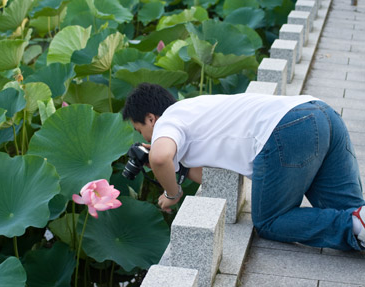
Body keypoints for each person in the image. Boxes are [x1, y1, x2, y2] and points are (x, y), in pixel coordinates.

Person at [121, 82, 365, 251]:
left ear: (152, 118)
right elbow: (211, 175)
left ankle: (355, 223)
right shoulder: (193, 109)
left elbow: (160, 158)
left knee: (270, 221)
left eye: (140, 130)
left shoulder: (168, 120)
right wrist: (177, 169)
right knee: (352, 214)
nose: (146, 138)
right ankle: (359, 221)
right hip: (321, 113)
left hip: (287, 129)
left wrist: (172, 194)